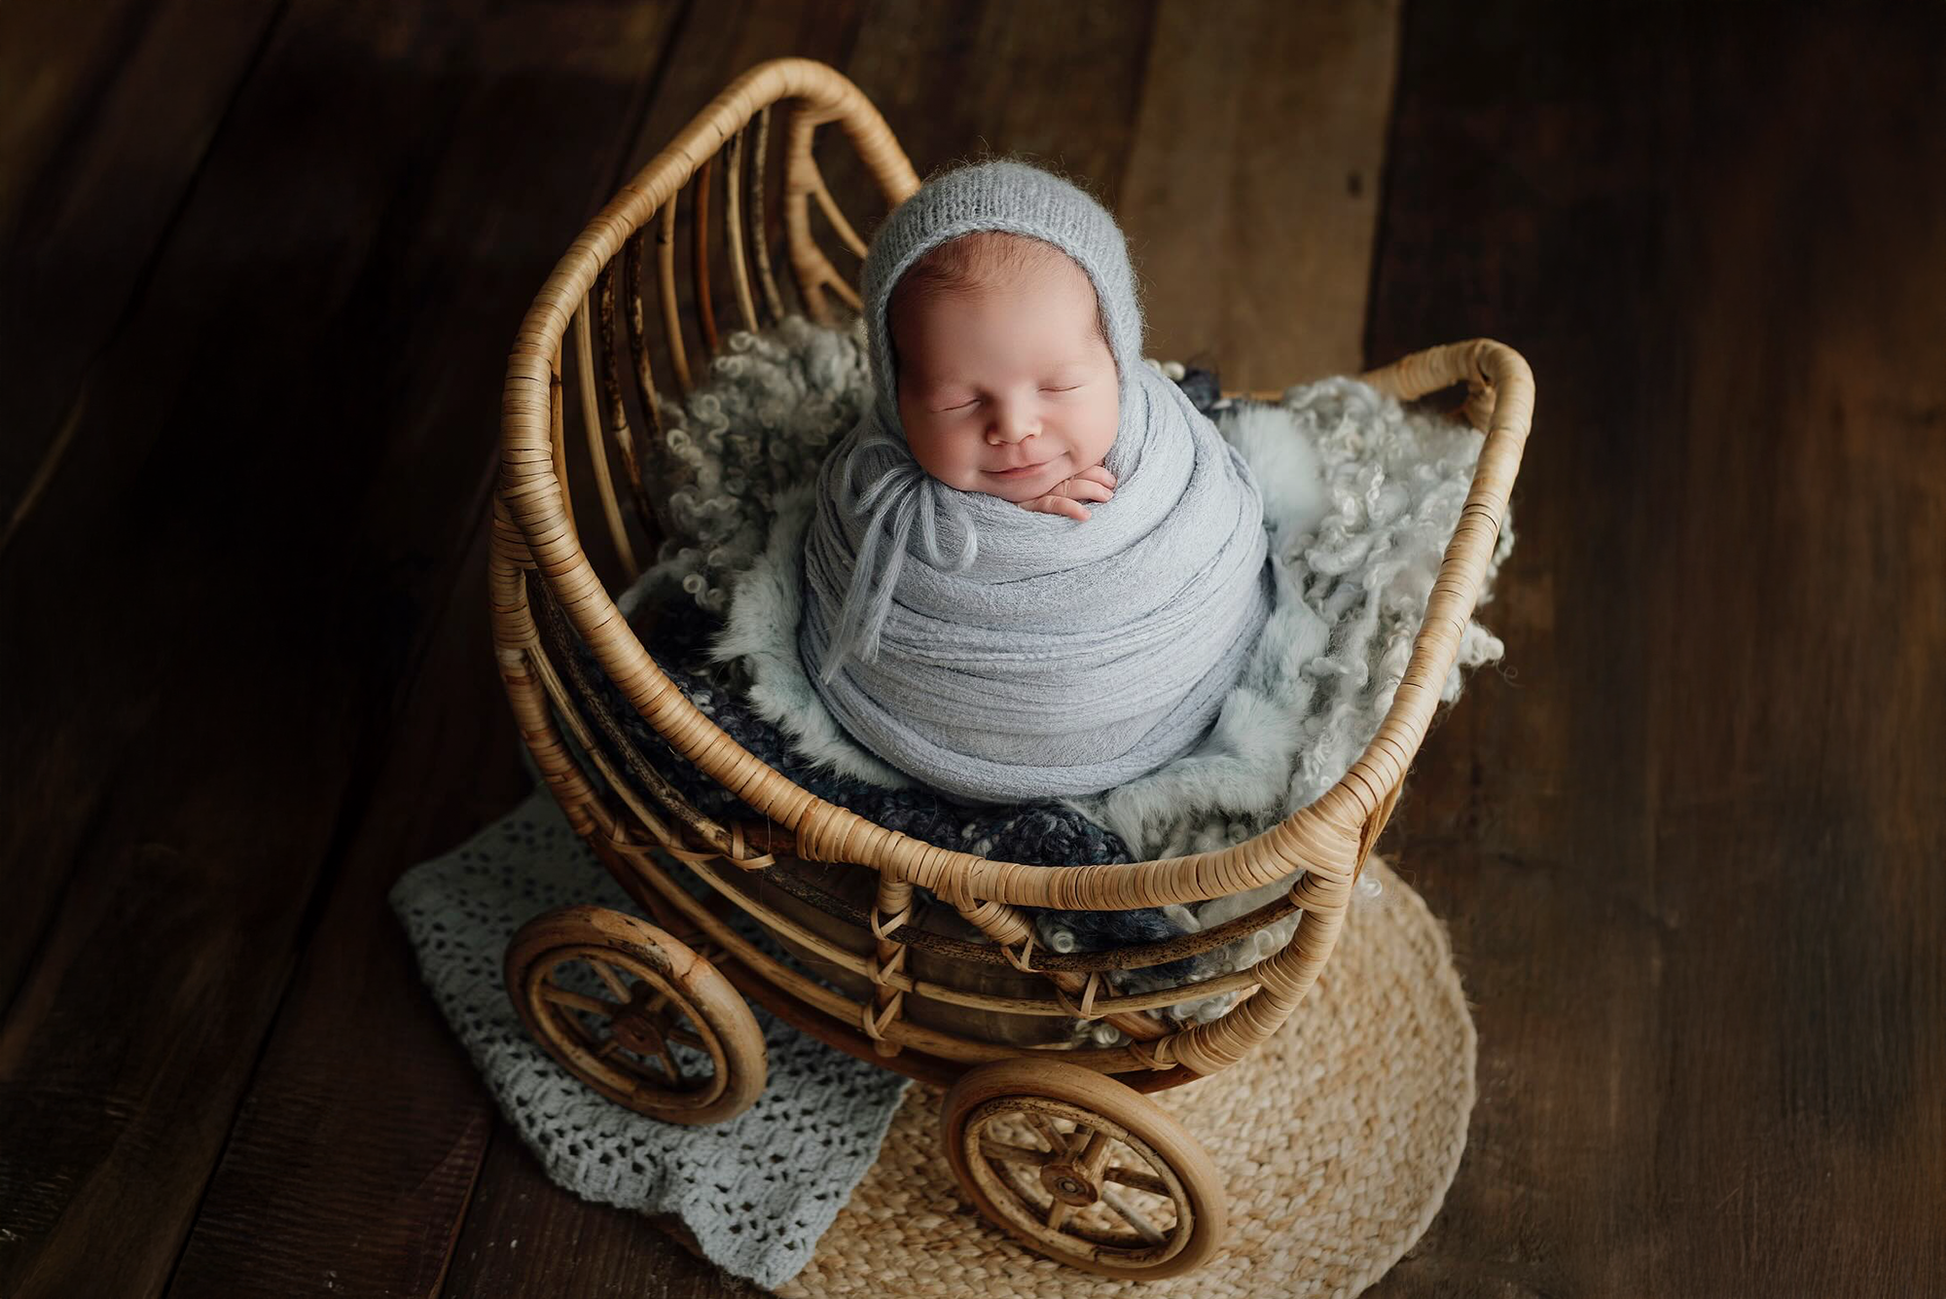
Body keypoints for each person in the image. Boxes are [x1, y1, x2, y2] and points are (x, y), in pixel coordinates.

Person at [798, 160, 1272, 805]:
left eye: (1060, 386)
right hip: (935, 734)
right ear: (896, 394)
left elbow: (1218, 564)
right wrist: (1007, 522)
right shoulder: (869, 499)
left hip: (1173, 697)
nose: (1014, 427)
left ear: (1118, 360)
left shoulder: (1173, 461)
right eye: (957, 402)